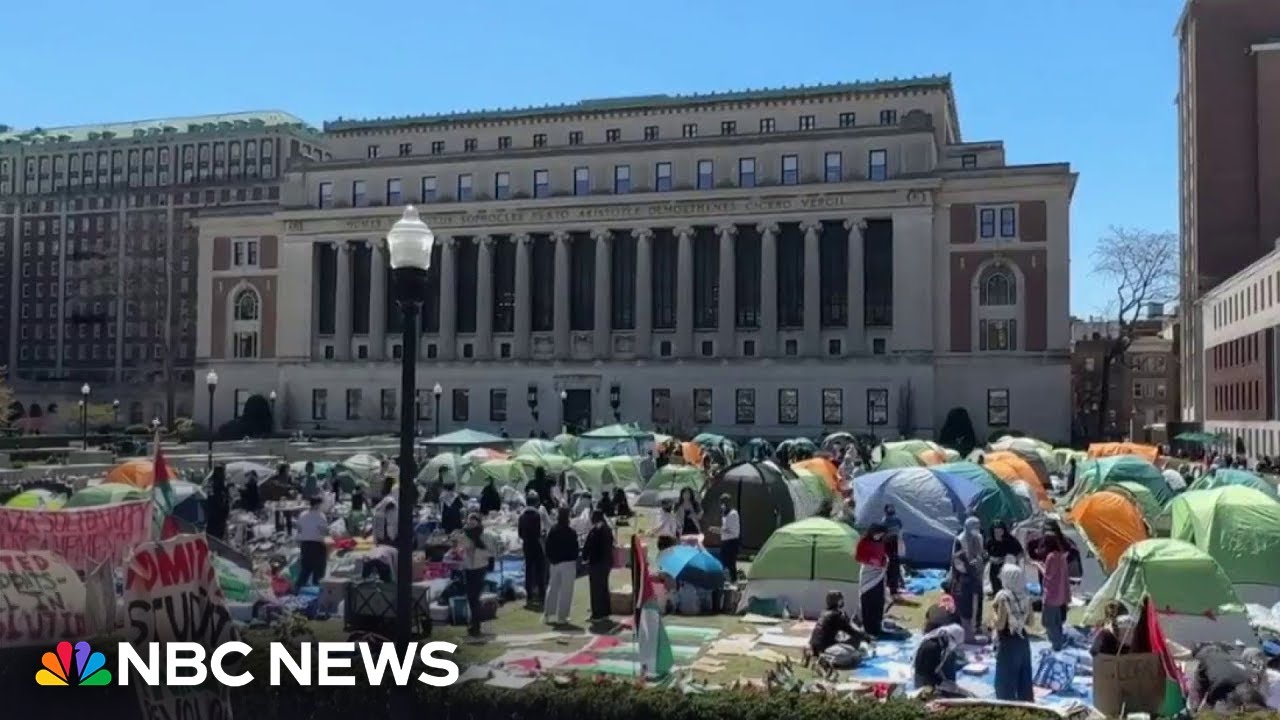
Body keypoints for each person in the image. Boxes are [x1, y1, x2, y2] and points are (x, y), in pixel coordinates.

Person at [991, 563, 1034, 702]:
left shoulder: (1004, 597)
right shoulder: (1026, 595)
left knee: (1005, 686)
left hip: (1008, 642)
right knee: (1024, 681)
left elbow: (1000, 624)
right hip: (1023, 640)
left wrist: (993, 613)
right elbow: (1031, 622)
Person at [455, 513, 496, 639]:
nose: (471, 525)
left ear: (479, 523)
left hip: (480, 568)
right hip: (468, 568)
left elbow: (491, 552)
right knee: (471, 597)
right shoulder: (464, 535)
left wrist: (477, 550)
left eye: (474, 523)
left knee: (474, 597)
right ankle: (474, 624)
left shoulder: (486, 536)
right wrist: (461, 548)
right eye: (469, 523)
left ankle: (476, 625)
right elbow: (458, 549)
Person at [1194, 646, 1268, 711]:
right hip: (1237, 680)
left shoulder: (1219, 683)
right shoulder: (1226, 657)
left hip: (1225, 682)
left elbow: (1207, 697)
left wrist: (1204, 707)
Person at [807, 590, 871, 665]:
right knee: (855, 656)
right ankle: (826, 658)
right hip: (825, 647)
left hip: (815, 646)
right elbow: (851, 630)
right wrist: (866, 637)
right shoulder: (837, 615)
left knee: (847, 643)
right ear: (838, 601)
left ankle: (823, 656)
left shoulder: (824, 612)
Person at [952, 516, 986, 642]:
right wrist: (968, 568)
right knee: (967, 602)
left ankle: (977, 625)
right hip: (965, 576)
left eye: (978, 527)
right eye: (974, 527)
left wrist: (980, 561)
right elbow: (956, 560)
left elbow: (980, 553)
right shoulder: (960, 540)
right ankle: (967, 628)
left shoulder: (979, 537)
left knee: (979, 598)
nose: (976, 530)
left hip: (977, 573)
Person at [543, 507, 579, 625]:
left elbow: (547, 547)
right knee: (566, 591)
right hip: (568, 564)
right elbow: (576, 550)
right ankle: (562, 617)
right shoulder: (571, 532)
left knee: (552, 588)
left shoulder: (553, 530)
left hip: (555, 563)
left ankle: (547, 614)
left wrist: (552, 559)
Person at [913, 624, 968, 696]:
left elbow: (937, 667)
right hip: (923, 680)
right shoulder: (932, 647)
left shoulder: (942, 644)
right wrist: (941, 682)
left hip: (932, 675)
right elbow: (927, 673)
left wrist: (946, 681)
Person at [854, 524, 889, 636]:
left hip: (879, 573)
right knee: (868, 600)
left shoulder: (881, 542)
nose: (880, 536)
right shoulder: (863, 542)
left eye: (882, 534)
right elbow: (858, 557)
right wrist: (870, 560)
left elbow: (883, 555)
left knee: (879, 600)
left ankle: (877, 626)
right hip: (868, 572)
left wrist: (883, 562)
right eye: (878, 533)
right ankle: (868, 628)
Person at [1037, 533, 1070, 651]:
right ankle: (1059, 643)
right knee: (1057, 622)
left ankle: (1056, 646)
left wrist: (1038, 565)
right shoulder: (1062, 556)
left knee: (1048, 623)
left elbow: (1048, 575)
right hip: (1060, 596)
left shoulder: (1051, 557)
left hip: (1051, 595)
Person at [583, 509, 615, 624]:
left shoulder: (596, 531)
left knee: (596, 589)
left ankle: (597, 613)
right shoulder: (607, 529)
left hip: (597, 563)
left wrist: (584, 557)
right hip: (606, 562)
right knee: (603, 587)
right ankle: (605, 612)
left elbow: (589, 546)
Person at [517, 492, 547, 607]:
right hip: (537, 544)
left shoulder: (522, 516)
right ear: (536, 502)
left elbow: (519, 533)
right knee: (540, 570)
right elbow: (540, 531)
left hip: (526, 544)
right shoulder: (537, 515)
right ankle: (541, 594)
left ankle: (529, 595)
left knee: (528, 570)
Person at [295, 496, 329, 587]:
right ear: (318, 504)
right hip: (317, 545)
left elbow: (299, 530)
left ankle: (298, 589)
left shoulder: (302, 515)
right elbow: (324, 532)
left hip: (305, 545)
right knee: (319, 570)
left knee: (305, 569)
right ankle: (317, 591)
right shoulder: (320, 516)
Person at [985, 521, 1024, 595]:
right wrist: (990, 558)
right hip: (995, 568)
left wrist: (1012, 561)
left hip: (1008, 569)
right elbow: (986, 553)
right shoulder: (990, 541)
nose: (998, 534)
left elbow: (1020, 553)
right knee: (997, 590)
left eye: (1000, 531)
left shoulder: (1010, 540)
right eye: (995, 532)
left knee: (1009, 591)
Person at [716, 494, 741, 583]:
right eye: (722, 502)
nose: (723, 504)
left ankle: (734, 581)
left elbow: (731, 531)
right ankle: (726, 581)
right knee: (723, 562)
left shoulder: (733, 514)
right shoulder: (724, 513)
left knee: (731, 564)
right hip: (725, 541)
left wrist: (718, 530)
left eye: (725, 501)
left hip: (732, 542)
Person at [882, 504, 904, 595]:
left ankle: (891, 586)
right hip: (893, 547)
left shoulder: (884, 521)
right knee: (894, 567)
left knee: (890, 567)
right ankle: (894, 587)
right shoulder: (897, 520)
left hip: (889, 547)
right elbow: (900, 529)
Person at [204, 466, 230, 541]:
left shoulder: (210, 483)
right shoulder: (220, 486)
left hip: (211, 514)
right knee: (218, 534)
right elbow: (222, 500)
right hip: (219, 514)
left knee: (211, 533)